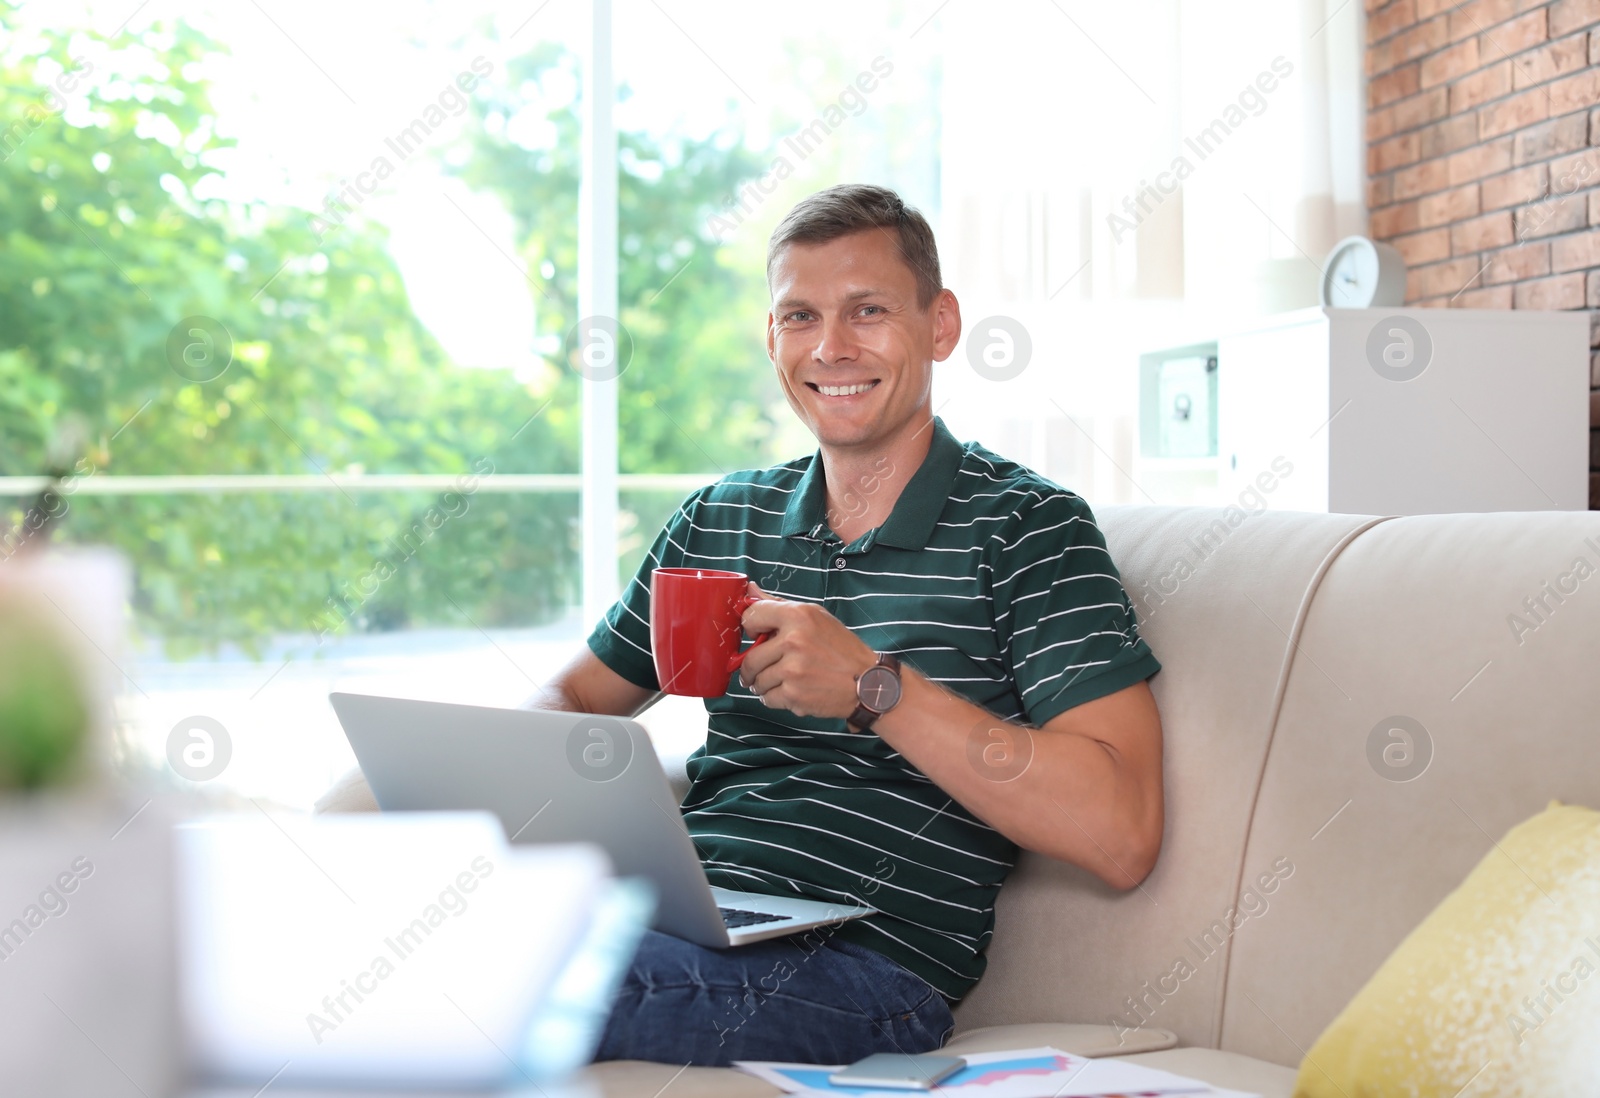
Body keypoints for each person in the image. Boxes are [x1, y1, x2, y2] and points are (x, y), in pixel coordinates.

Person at [523, 183, 1164, 1066]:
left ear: (940, 325)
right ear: (772, 336)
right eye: (799, 317)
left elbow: (1121, 830)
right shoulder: (720, 519)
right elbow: (573, 695)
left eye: (868, 311)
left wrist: (875, 689)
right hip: (687, 911)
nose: (830, 348)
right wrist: (523, 767)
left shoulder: (1028, 528)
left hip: (866, 972)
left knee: (521, 981)